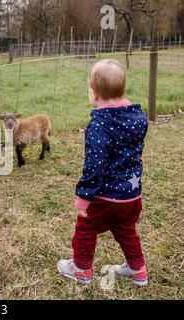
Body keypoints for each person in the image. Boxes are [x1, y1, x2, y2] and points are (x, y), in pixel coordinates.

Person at [57, 59, 149, 286]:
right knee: (126, 229)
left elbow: (94, 166)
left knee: (86, 229)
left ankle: (80, 268)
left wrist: (84, 197)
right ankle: (138, 270)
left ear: (93, 93)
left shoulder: (99, 126)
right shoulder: (137, 119)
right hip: (132, 194)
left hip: (105, 197)